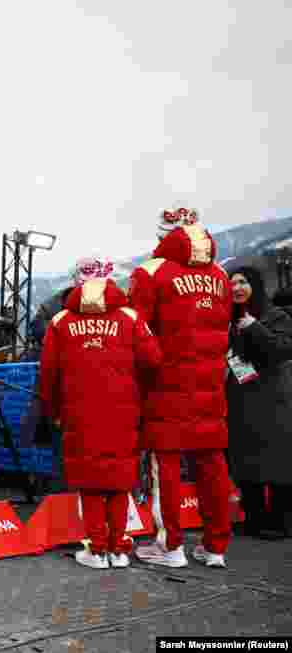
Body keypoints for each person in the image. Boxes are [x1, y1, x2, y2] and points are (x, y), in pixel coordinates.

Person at [40, 258, 162, 569]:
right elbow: (153, 360)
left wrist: (53, 411)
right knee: (120, 481)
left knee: (91, 482)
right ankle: (119, 550)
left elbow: (48, 375)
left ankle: (96, 550)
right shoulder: (130, 317)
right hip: (123, 412)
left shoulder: (60, 321)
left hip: (78, 413)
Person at [128, 207, 233, 569]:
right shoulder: (220, 274)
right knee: (212, 464)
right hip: (210, 385)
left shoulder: (150, 272)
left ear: (163, 236)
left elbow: (138, 334)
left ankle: (170, 547)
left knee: (166, 466)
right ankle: (216, 547)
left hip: (166, 386)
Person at [226, 266, 292, 538]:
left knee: (278, 461)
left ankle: (280, 522)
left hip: (273, 397)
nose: (237, 288)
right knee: (244, 462)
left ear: (255, 284)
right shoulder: (228, 319)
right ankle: (254, 518)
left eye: (242, 282)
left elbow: (280, 350)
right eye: (232, 284)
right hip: (241, 398)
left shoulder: (276, 316)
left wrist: (255, 328)